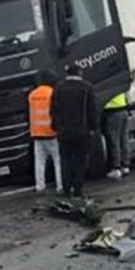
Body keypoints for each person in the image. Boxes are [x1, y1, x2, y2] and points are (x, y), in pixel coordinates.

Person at [51, 63, 101, 198]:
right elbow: (92, 110)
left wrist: (56, 127)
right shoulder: (87, 87)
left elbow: (53, 110)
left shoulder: (58, 87)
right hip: (82, 131)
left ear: (67, 73)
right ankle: (78, 190)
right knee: (81, 161)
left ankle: (66, 190)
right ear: (80, 73)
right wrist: (93, 127)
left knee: (65, 161)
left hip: (64, 131)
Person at [28, 75, 63, 194]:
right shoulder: (52, 93)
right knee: (58, 160)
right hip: (50, 132)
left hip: (36, 133)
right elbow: (56, 111)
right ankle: (60, 185)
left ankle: (40, 186)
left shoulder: (32, 95)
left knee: (39, 162)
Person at [103, 91, 130, 179]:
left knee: (114, 141)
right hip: (124, 111)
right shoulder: (120, 88)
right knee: (124, 140)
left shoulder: (109, 89)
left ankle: (116, 168)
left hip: (113, 113)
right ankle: (125, 166)